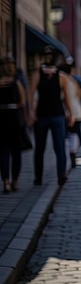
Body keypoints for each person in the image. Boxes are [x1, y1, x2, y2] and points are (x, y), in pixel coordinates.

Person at [29, 46, 74, 186]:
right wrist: (31, 111)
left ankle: (61, 175)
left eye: (51, 56)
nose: (48, 58)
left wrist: (70, 113)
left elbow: (66, 97)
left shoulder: (61, 77)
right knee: (40, 148)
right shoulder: (37, 75)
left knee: (59, 146)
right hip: (41, 115)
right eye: (46, 55)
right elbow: (30, 94)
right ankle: (38, 177)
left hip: (57, 115)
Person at [0, 57, 27, 193]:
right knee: (16, 151)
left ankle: (6, 181)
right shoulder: (16, 82)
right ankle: (15, 181)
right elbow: (23, 100)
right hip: (14, 116)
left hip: (1, 117)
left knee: (3, 151)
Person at [59, 59, 81, 169]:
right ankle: (73, 151)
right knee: (75, 133)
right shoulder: (75, 82)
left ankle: (68, 153)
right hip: (76, 110)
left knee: (66, 134)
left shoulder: (60, 81)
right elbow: (79, 95)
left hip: (64, 110)